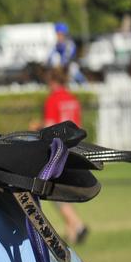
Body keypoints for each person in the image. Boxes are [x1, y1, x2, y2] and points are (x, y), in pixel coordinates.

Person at [43, 66, 89, 245]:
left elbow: (49, 126)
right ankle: (71, 234)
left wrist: (35, 127)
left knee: (54, 191)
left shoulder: (53, 100)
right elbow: (78, 125)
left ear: (52, 81)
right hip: (73, 148)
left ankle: (78, 226)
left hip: (57, 151)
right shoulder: (72, 99)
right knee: (63, 191)